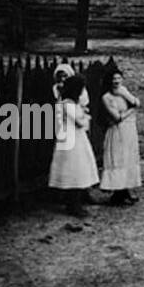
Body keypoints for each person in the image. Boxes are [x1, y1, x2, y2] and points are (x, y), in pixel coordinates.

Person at [48, 65, 99, 217]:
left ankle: (78, 198)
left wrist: (84, 116)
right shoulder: (67, 104)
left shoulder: (71, 103)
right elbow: (81, 122)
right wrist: (85, 117)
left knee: (80, 167)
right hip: (70, 139)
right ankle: (72, 204)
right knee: (72, 169)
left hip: (76, 137)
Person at [100, 67, 142, 206]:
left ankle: (125, 192)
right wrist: (131, 110)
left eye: (118, 78)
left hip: (129, 130)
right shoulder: (106, 97)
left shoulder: (123, 91)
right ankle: (118, 195)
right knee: (119, 160)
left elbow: (137, 102)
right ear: (109, 81)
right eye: (113, 79)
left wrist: (124, 94)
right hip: (117, 131)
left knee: (128, 159)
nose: (116, 81)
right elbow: (117, 117)